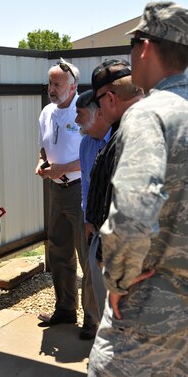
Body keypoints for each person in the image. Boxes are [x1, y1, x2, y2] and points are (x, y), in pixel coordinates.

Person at [88, 1, 188, 376]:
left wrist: (117, 279)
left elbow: (132, 209)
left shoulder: (150, 113)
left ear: (145, 46)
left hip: (150, 315)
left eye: (132, 46)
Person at [35, 58, 99, 340]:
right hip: (55, 190)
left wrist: (62, 169)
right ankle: (65, 308)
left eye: (57, 84)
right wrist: (42, 162)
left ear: (73, 86)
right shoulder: (47, 112)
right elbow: (45, 146)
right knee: (58, 250)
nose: (51, 88)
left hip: (78, 189)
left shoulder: (83, 111)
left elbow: (92, 154)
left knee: (86, 256)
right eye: (50, 83)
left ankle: (93, 319)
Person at [79, 60, 143, 322]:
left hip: (122, 261)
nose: (100, 110)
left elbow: (132, 204)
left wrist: (109, 258)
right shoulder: (126, 129)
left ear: (111, 98)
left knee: (120, 332)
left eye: (99, 102)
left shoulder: (135, 132)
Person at [75, 90, 111, 323]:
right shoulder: (86, 144)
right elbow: (86, 185)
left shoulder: (120, 141)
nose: (76, 120)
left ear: (98, 115)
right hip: (96, 225)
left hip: (119, 229)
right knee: (97, 278)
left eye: (81, 114)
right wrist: (88, 219)